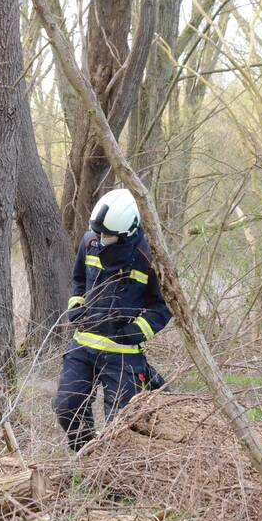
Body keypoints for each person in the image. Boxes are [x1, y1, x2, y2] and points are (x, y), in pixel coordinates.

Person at [54, 188, 172, 451]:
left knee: (120, 425)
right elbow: (78, 281)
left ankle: (115, 478)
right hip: (83, 346)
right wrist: (76, 306)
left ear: (128, 230)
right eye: (99, 234)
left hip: (123, 355)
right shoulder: (89, 243)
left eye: (108, 236)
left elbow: (163, 308)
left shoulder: (149, 259)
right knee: (66, 406)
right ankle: (87, 458)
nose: (101, 239)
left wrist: (134, 331)